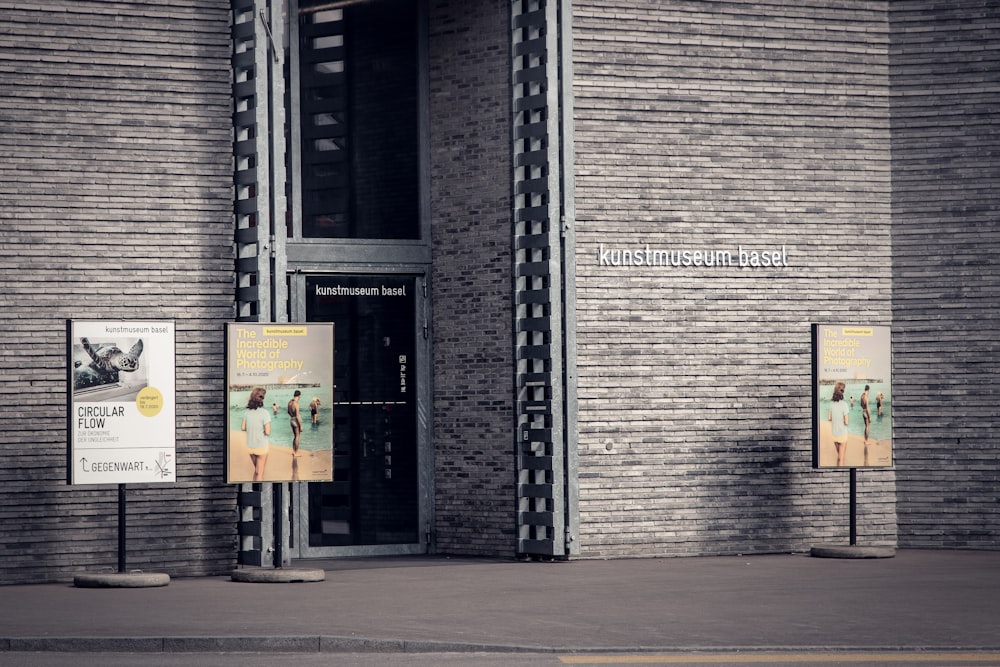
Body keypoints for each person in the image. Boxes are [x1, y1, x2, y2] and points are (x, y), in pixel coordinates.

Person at [241, 387, 271, 482]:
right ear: (262, 399)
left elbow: (243, 427)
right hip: (261, 446)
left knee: (257, 471)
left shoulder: (247, 412)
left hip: (250, 446)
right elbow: (268, 432)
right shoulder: (265, 413)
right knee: (260, 473)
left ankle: (254, 489)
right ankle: (259, 493)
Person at [828, 381, 850, 466]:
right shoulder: (844, 404)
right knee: (841, 459)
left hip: (834, 434)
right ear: (842, 392)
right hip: (842, 434)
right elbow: (847, 422)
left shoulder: (831, 404)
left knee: (839, 456)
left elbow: (829, 418)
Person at [287, 390, 303, 457]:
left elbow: (288, 412)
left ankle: (294, 451)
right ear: (299, 396)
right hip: (296, 420)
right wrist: (301, 425)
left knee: (295, 436)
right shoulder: (296, 403)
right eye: (300, 396)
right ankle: (296, 452)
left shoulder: (290, 402)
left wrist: (292, 416)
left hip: (291, 419)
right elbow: (298, 415)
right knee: (297, 436)